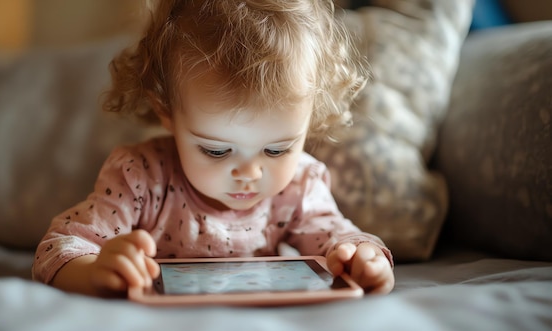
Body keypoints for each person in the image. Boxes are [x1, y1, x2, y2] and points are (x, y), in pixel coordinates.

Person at [32, 0, 395, 298]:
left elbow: (339, 236)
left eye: (277, 150)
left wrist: (362, 258)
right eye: (217, 151)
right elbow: (58, 250)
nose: (250, 174)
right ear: (167, 114)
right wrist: (94, 272)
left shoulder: (299, 185)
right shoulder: (140, 178)